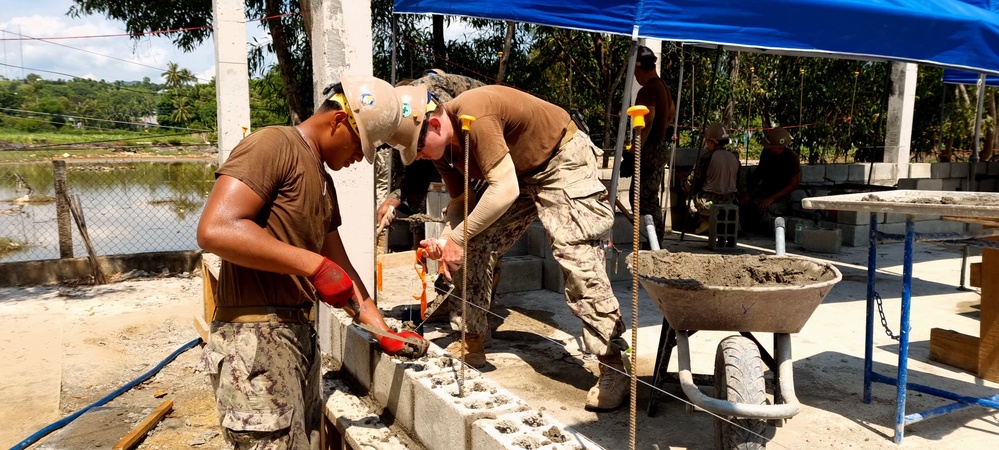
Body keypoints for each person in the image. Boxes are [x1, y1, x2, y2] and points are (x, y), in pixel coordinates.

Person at [196, 75, 428, 449]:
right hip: (253, 339)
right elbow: (216, 229)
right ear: (338, 121)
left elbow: (343, 268)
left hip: (297, 338)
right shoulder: (274, 144)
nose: (358, 159)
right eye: (360, 145)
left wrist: (386, 336)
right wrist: (313, 266)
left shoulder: (322, 180)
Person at [386, 83, 630, 412]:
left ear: (433, 124)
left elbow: (503, 188)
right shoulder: (442, 152)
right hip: (519, 175)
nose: (416, 158)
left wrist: (456, 238)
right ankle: (472, 340)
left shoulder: (476, 112)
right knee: (476, 242)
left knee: (574, 251)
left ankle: (612, 363)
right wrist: (448, 239)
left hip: (561, 157)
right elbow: (463, 203)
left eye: (416, 148)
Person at [376, 69, 487, 232]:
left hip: (485, 152)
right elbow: (415, 175)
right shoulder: (418, 127)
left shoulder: (431, 99)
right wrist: (393, 200)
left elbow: (460, 136)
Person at [624, 45, 676, 237]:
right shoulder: (662, 86)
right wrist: (661, 130)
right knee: (648, 196)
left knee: (641, 199)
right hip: (659, 146)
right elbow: (671, 113)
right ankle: (655, 239)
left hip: (649, 148)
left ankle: (652, 241)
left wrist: (632, 154)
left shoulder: (647, 90)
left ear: (637, 69)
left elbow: (646, 121)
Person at [741, 127, 801, 232]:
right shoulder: (766, 153)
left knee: (763, 210)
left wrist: (771, 199)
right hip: (764, 192)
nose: (767, 148)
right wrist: (748, 193)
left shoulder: (791, 158)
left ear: (780, 147)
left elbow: (794, 184)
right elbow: (758, 174)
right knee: (746, 205)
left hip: (781, 197)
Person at [685, 123, 741, 234]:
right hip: (730, 201)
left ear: (712, 141)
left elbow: (692, 183)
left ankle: (705, 222)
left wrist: (683, 180)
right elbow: (740, 183)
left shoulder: (707, 158)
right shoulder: (734, 157)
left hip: (709, 204)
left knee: (688, 198)